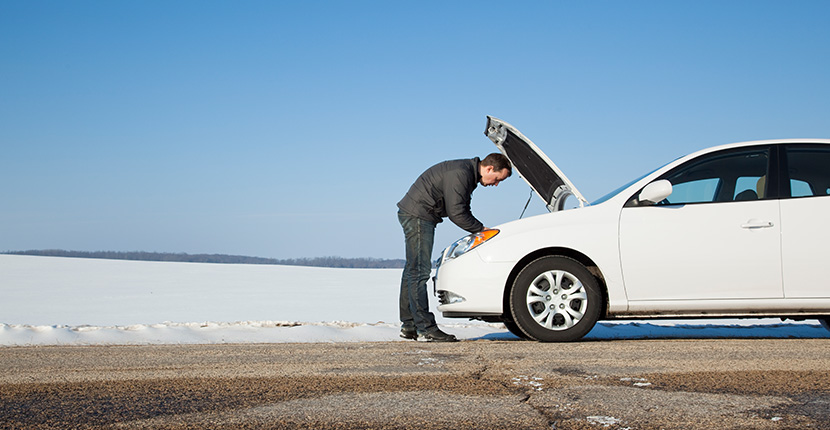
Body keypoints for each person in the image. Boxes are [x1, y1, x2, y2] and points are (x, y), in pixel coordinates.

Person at [397, 153, 512, 342]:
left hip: (416, 212)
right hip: (418, 214)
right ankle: (425, 328)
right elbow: (456, 212)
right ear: (490, 169)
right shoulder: (462, 173)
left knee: (412, 270)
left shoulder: (468, 174)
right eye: (498, 179)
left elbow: (461, 208)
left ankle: (409, 325)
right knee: (419, 271)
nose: (496, 184)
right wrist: (481, 230)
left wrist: (477, 227)